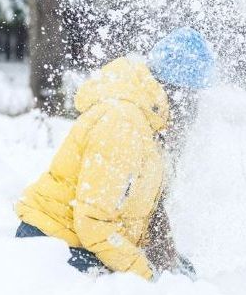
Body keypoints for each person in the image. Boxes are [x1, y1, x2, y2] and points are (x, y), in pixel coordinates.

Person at [14, 27, 214, 279]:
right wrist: (146, 277)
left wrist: (166, 258)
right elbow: (93, 222)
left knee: (183, 274)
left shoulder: (152, 128)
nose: (194, 114)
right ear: (175, 95)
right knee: (142, 292)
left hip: (89, 241)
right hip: (52, 242)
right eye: (192, 101)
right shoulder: (123, 123)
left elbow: (147, 211)